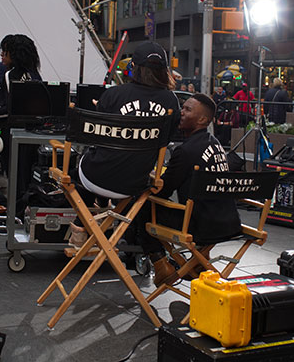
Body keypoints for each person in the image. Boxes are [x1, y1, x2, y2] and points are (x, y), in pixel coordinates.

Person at [71, 42, 181, 245]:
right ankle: (102, 218)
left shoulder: (114, 94)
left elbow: (93, 137)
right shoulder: (171, 102)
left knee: (81, 158)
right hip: (135, 183)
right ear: (164, 71)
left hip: (95, 178)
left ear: (134, 68)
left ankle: (82, 223)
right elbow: (167, 138)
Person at [145, 93, 238, 285]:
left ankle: (160, 265)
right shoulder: (216, 144)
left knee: (141, 205)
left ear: (203, 119)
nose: (181, 112)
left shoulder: (186, 151)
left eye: (188, 109)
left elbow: (164, 190)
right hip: (229, 222)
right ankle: (198, 263)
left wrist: (152, 179)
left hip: (199, 226)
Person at [0, 34, 41, 112]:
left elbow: (5, 107)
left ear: (14, 53)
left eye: (4, 51)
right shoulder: (34, 74)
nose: (1, 54)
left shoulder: (10, 75)